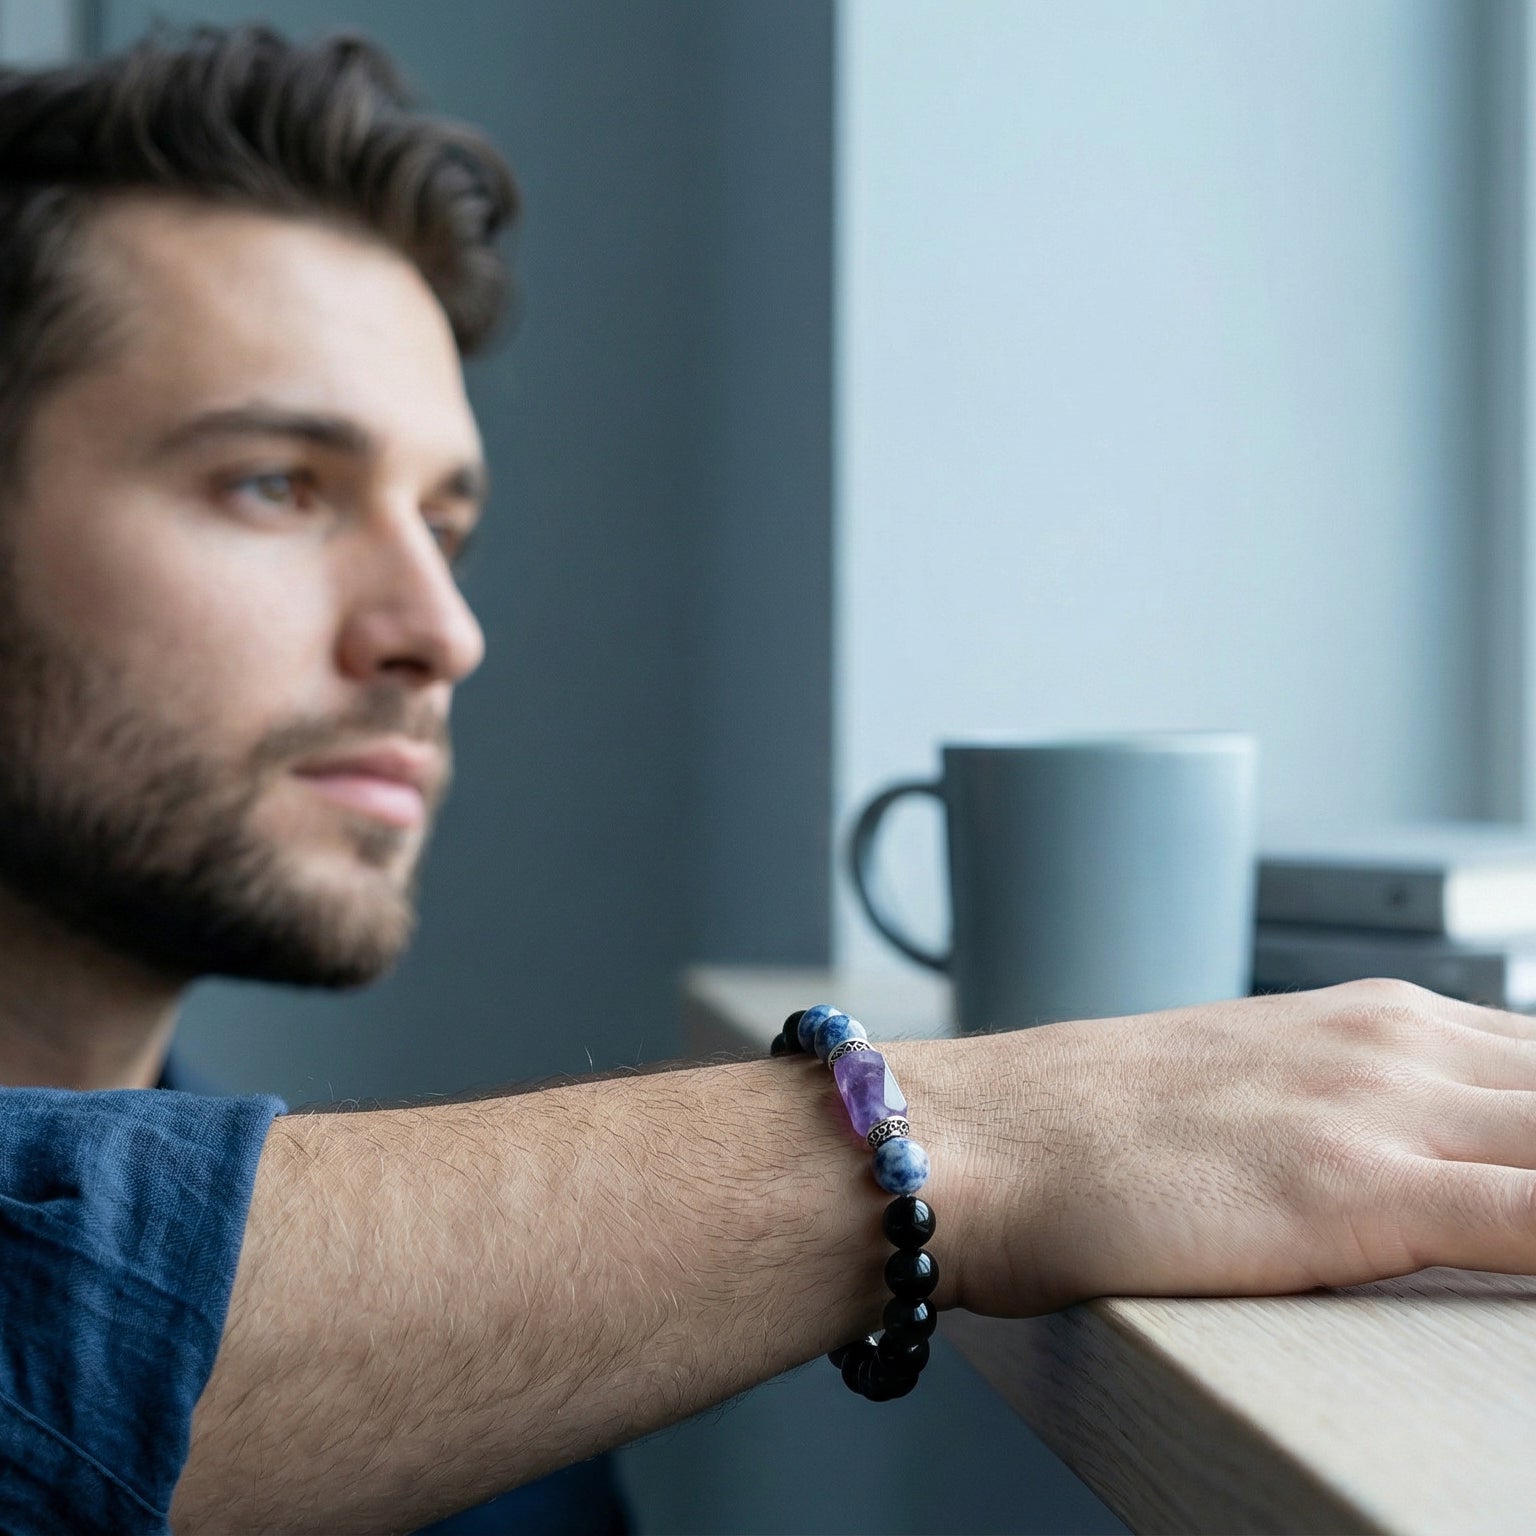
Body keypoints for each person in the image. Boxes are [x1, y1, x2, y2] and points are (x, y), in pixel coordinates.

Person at [3, 23, 1536, 1536]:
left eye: (446, 524)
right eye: (277, 486)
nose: (440, 632)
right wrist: (990, 1135)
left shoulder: (483, 1455)